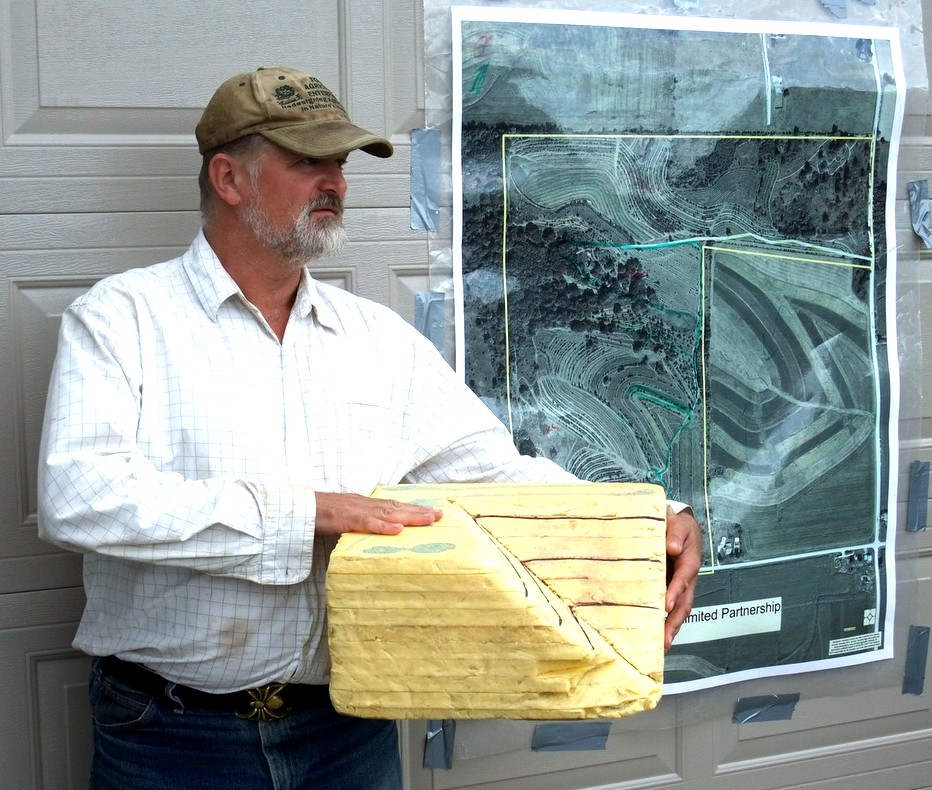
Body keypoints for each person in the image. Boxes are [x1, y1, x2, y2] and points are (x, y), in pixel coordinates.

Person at [37, 66, 701, 790]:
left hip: (346, 733)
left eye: (340, 163)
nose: (336, 183)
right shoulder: (121, 319)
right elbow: (82, 495)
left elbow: (492, 474)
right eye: (307, 161)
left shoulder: (377, 341)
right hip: (171, 737)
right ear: (228, 178)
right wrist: (310, 516)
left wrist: (646, 521)